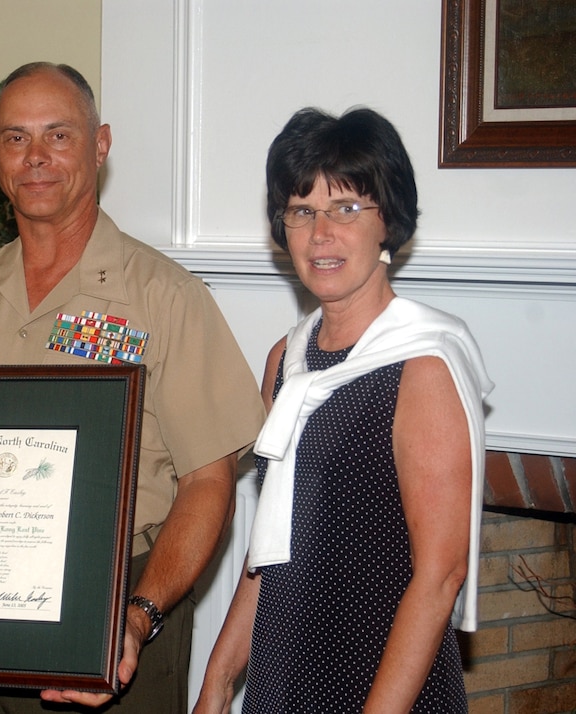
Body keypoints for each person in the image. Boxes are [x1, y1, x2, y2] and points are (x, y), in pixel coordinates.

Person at [0, 62, 265, 713]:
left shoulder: (167, 298)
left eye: (59, 135)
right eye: (16, 138)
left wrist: (137, 617)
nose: (36, 158)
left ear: (99, 145)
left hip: (109, 617)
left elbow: (209, 483)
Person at [193, 107, 493, 713]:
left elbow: (441, 577)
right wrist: (218, 684)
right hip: (283, 680)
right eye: (303, 211)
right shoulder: (286, 359)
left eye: (347, 208)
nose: (321, 233)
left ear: (388, 223)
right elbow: (270, 544)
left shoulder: (423, 365)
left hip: (383, 688)